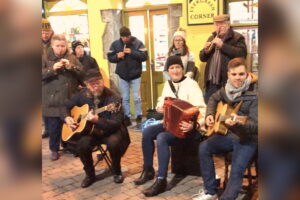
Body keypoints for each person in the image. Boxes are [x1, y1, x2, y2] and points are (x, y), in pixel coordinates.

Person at [134, 56, 206, 197]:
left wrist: (194, 124)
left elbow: (202, 109)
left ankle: (161, 180)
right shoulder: (168, 84)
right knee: (147, 131)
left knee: (162, 137)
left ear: (182, 69)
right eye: (172, 68)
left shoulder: (191, 84)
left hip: (189, 128)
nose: (175, 70)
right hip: (170, 125)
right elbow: (162, 101)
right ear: (168, 71)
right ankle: (148, 170)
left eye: (177, 67)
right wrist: (159, 107)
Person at [193, 58, 257, 200]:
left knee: (236, 170)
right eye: (234, 74)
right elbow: (212, 99)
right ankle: (211, 191)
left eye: (241, 74)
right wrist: (210, 114)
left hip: (248, 139)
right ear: (228, 74)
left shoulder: (255, 93)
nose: (237, 78)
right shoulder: (226, 90)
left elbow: (257, 125)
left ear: (246, 73)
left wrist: (238, 124)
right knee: (204, 147)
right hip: (229, 134)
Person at [62, 69, 131, 188]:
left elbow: (116, 123)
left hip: (110, 130)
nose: (95, 86)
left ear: (102, 81)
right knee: (82, 145)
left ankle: (117, 171)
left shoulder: (114, 98)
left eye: (97, 82)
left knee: (114, 143)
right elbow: (64, 107)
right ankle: (90, 174)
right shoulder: (82, 94)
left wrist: (97, 120)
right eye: (91, 84)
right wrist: (67, 117)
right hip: (91, 131)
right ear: (86, 85)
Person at [42, 34, 84, 161]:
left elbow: (82, 73)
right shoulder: (44, 58)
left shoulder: (71, 57)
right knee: (54, 127)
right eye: (58, 46)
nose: (60, 48)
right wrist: (52, 69)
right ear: (52, 46)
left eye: (63, 46)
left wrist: (71, 66)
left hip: (69, 97)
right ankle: (54, 149)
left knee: (69, 124)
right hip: (52, 99)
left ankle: (68, 145)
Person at [199, 14, 247, 103]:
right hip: (211, 83)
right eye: (216, 25)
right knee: (210, 109)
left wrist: (222, 45)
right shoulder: (211, 37)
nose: (219, 27)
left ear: (228, 25)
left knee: (226, 111)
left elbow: (242, 54)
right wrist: (205, 51)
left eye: (222, 24)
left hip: (227, 83)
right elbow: (202, 58)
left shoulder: (237, 37)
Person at [107, 26, 148, 126]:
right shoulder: (115, 44)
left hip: (135, 75)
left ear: (130, 35)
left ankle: (139, 116)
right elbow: (109, 57)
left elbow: (144, 56)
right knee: (125, 98)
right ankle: (127, 117)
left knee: (136, 98)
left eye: (127, 36)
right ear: (120, 36)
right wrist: (117, 56)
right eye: (123, 37)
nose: (125, 38)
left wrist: (132, 52)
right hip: (122, 76)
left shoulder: (137, 42)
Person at [41, 18, 54, 139]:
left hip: (53, 75)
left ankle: (54, 128)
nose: (45, 35)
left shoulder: (55, 42)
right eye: (42, 32)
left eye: (47, 32)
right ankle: (47, 128)